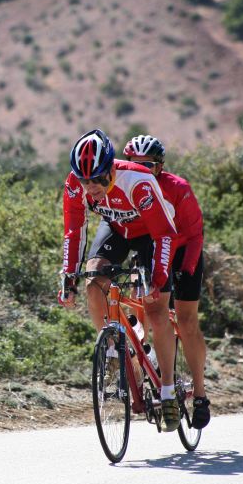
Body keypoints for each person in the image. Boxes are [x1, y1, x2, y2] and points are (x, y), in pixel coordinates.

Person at [57, 128, 182, 431]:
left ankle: (167, 390)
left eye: (98, 179)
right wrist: (68, 276)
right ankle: (113, 357)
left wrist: (159, 276)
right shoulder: (76, 185)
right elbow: (74, 231)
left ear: (111, 168)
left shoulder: (136, 182)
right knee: (93, 282)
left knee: (155, 308)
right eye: (85, 180)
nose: (91, 188)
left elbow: (165, 234)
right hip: (116, 228)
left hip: (151, 233)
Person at [122, 134, 210, 429]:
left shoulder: (178, 188)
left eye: (149, 165)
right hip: (150, 248)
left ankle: (199, 394)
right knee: (145, 309)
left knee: (186, 322)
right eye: (136, 165)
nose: (143, 170)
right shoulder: (127, 186)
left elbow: (196, 233)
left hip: (183, 251)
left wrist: (186, 267)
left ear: (160, 166)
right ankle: (148, 361)